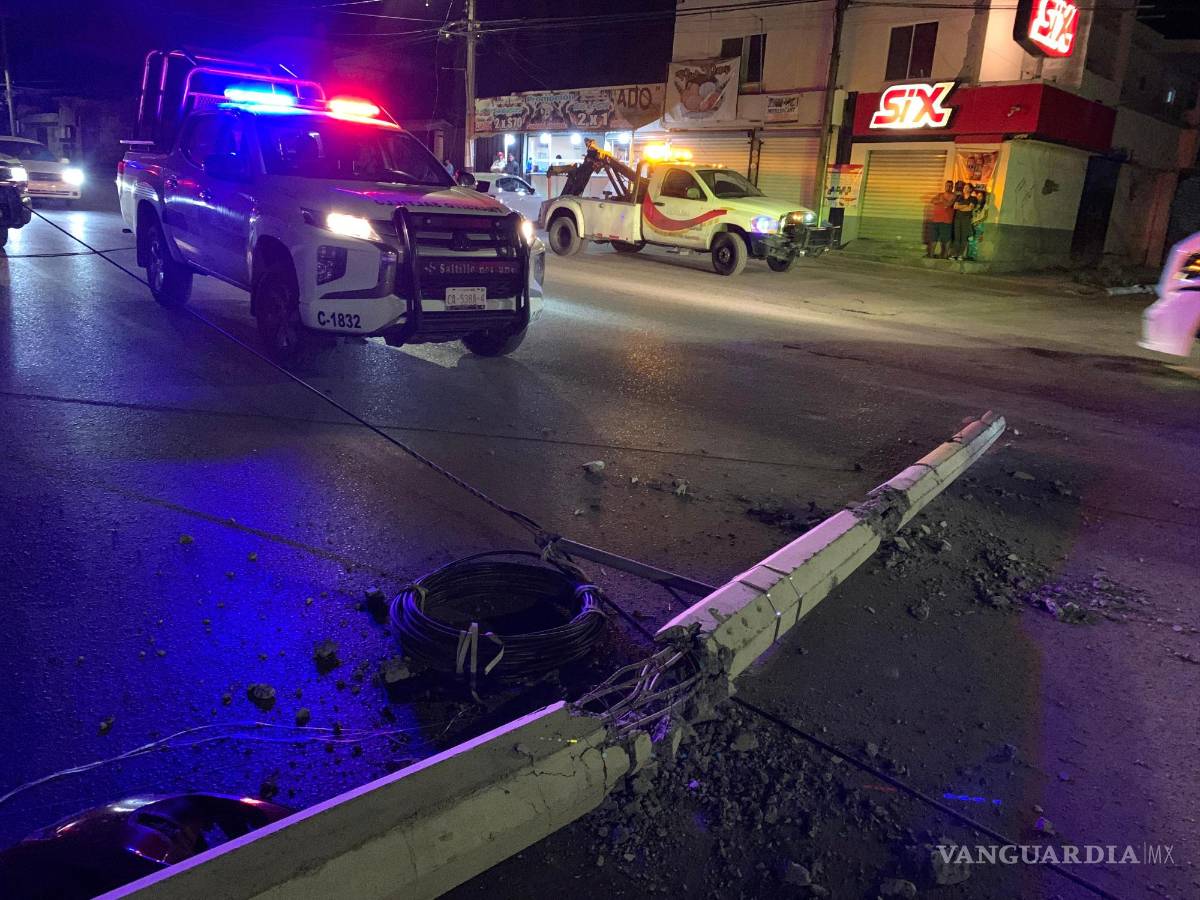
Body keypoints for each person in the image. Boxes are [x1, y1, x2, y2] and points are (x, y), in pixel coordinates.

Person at [927, 179, 955, 259]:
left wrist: (941, 200)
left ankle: (945, 256)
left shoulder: (954, 195)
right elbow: (932, 201)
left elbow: (948, 204)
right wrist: (942, 200)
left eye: (950, 186)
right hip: (935, 220)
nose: (948, 187)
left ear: (952, 187)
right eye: (947, 185)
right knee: (933, 238)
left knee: (946, 239)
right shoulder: (940, 194)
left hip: (946, 221)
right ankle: (931, 255)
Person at [949, 180, 975, 261]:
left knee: (963, 238)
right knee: (957, 237)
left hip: (966, 220)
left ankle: (960, 255)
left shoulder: (973, 198)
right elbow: (955, 207)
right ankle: (954, 254)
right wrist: (965, 206)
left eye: (967, 187)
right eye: (964, 187)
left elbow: (970, 208)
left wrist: (961, 207)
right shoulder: (960, 197)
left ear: (970, 189)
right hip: (957, 219)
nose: (964, 189)